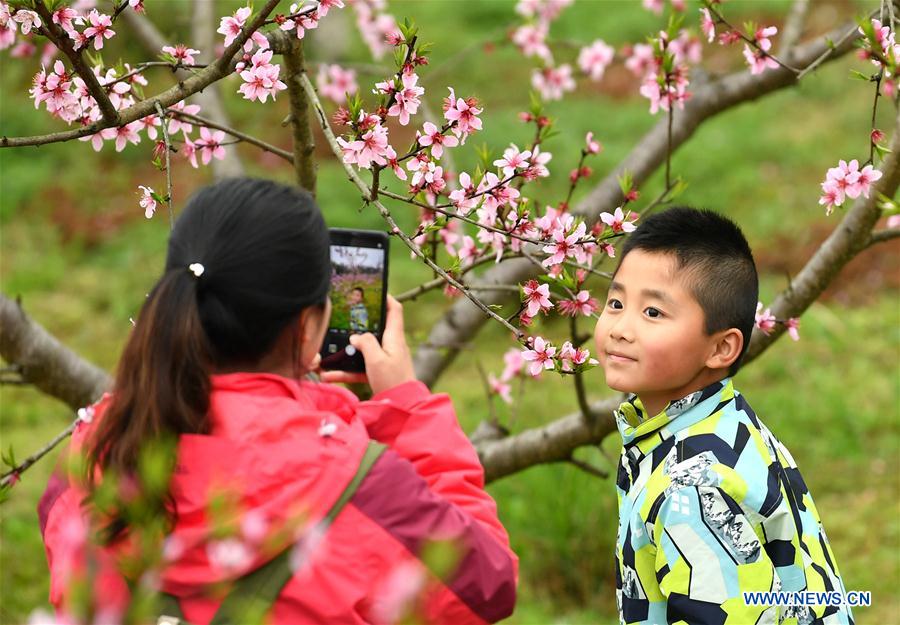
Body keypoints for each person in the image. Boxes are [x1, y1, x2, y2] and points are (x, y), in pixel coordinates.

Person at [37, 177, 517, 625]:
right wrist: (406, 407)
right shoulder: (364, 484)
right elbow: (487, 583)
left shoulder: (93, 454)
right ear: (308, 326)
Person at [593, 207, 853, 625]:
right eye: (617, 302)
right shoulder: (716, 422)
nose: (620, 327)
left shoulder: (692, 488)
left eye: (653, 313)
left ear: (721, 349)